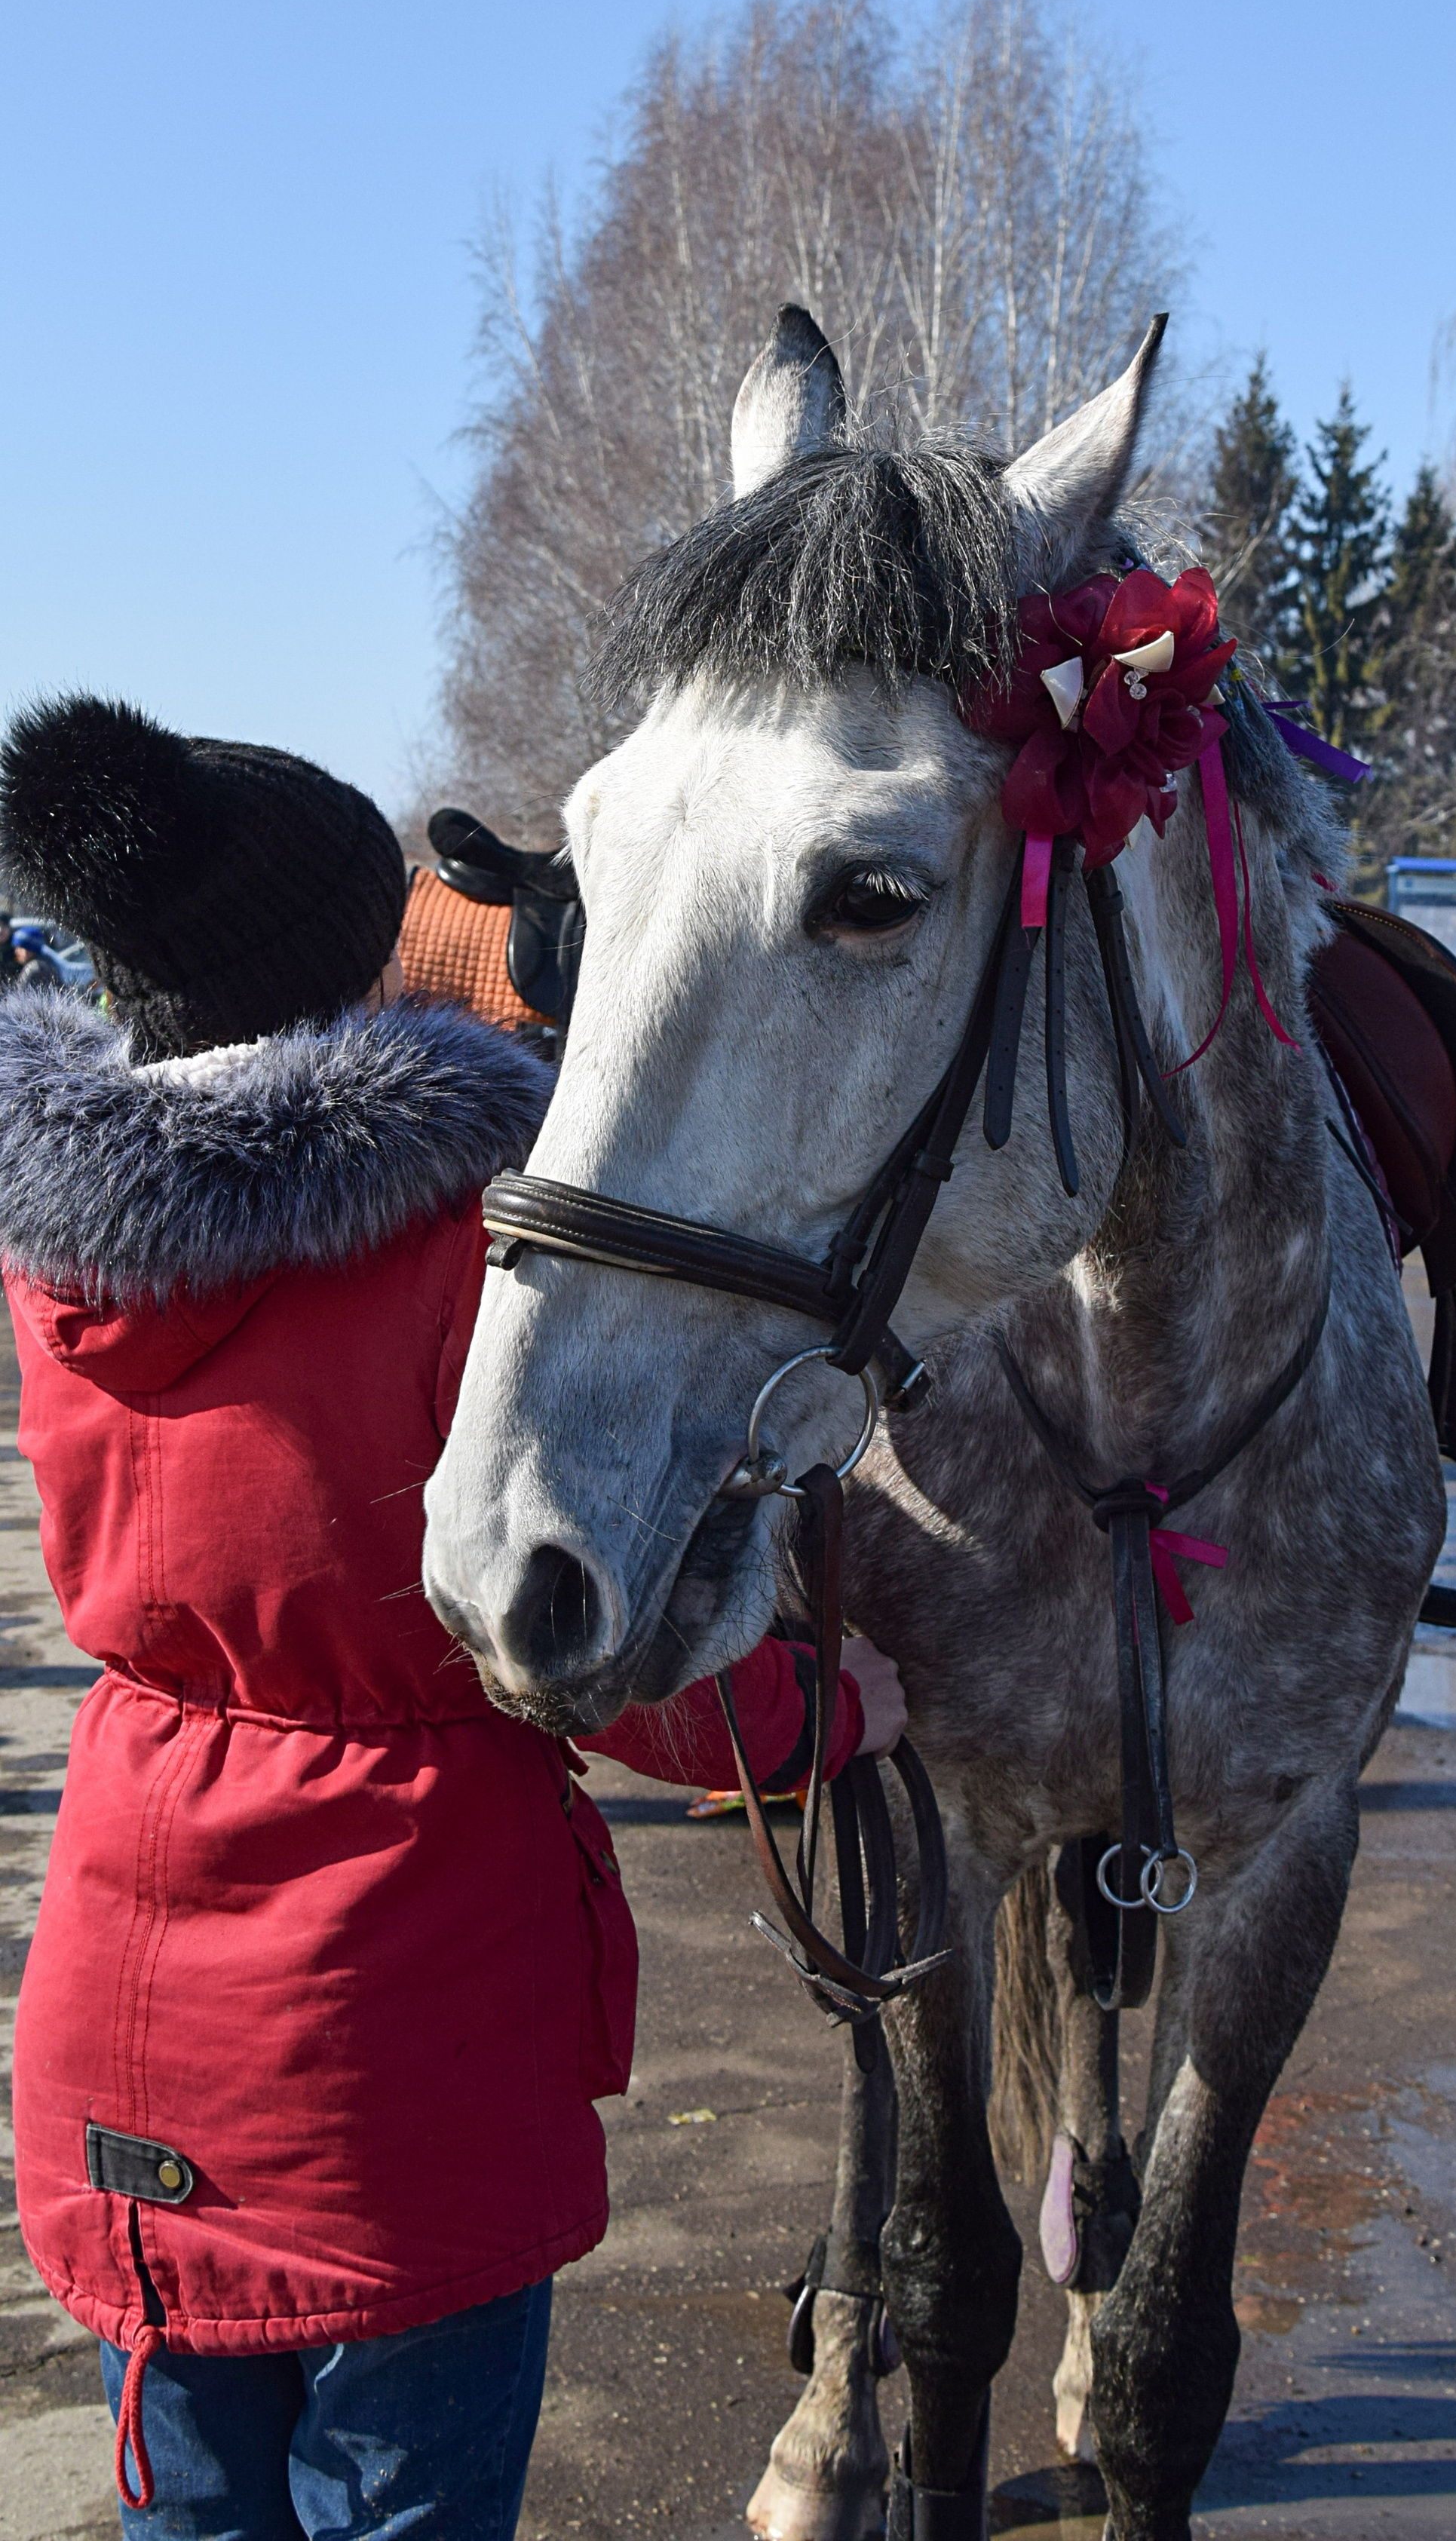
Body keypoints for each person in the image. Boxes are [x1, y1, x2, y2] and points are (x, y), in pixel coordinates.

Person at [0, 694, 903, 2541]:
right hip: (389, 2058)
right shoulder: (455, 1254)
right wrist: (824, 1714)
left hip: (113, 2014)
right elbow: (589, 1642)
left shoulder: (58, 1249)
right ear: (353, 947)